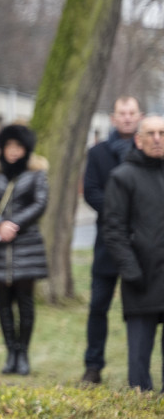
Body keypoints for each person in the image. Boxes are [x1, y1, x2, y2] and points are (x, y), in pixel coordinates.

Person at [0, 123, 48, 376]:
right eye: (9, 146)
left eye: (18, 146)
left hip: (26, 246)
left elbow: (40, 203)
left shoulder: (36, 172)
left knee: (26, 303)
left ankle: (23, 354)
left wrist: (14, 224)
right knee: (4, 304)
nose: (13, 151)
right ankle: (10, 353)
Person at [81, 95, 142, 384]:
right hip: (106, 243)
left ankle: (138, 370)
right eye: (122, 113)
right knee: (98, 307)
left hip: (141, 245)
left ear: (139, 116)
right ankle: (93, 366)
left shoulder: (149, 152)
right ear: (113, 118)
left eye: (132, 113)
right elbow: (92, 192)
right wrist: (119, 213)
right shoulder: (98, 153)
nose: (127, 117)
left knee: (141, 310)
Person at [101, 114, 164, 391]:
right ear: (138, 140)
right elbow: (113, 230)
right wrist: (132, 271)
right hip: (141, 279)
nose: (157, 139)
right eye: (151, 133)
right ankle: (139, 415)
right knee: (139, 359)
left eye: (162, 133)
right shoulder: (123, 177)